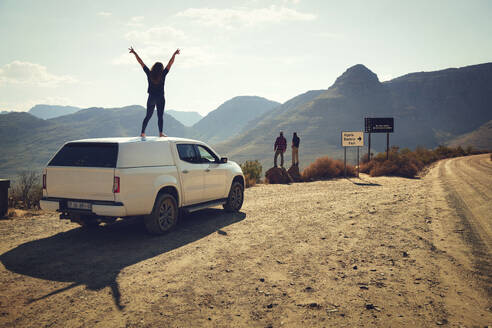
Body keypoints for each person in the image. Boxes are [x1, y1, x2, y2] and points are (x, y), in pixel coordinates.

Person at [129, 46, 180, 138]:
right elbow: (170, 63)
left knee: (148, 116)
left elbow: (141, 62)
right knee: (160, 116)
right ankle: (160, 133)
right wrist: (174, 54)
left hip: (151, 98)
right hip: (160, 97)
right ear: (161, 69)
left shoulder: (149, 73)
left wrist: (134, 52)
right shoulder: (163, 74)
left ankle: (143, 133)